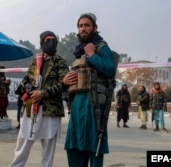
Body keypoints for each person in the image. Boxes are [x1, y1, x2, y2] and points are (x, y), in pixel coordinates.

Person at [63, 13, 116, 167]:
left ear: (94, 28)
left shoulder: (101, 47)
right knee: (74, 148)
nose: (83, 29)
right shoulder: (78, 52)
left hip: (94, 107)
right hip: (77, 107)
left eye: (87, 25)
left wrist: (92, 55)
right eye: (80, 26)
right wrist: (65, 81)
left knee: (94, 147)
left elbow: (110, 70)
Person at [9, 31, 69, 167]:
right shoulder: (35, 62)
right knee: (23, 145)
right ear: (42, 43)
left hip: (50, 110)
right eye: (48, 40)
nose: (52, 42)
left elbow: (64, 84)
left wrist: (42, 93)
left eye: (54, 40)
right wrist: (29, 87)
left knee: (48, 149)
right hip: (31, 108)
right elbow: (25, 79)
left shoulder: (60, 62)